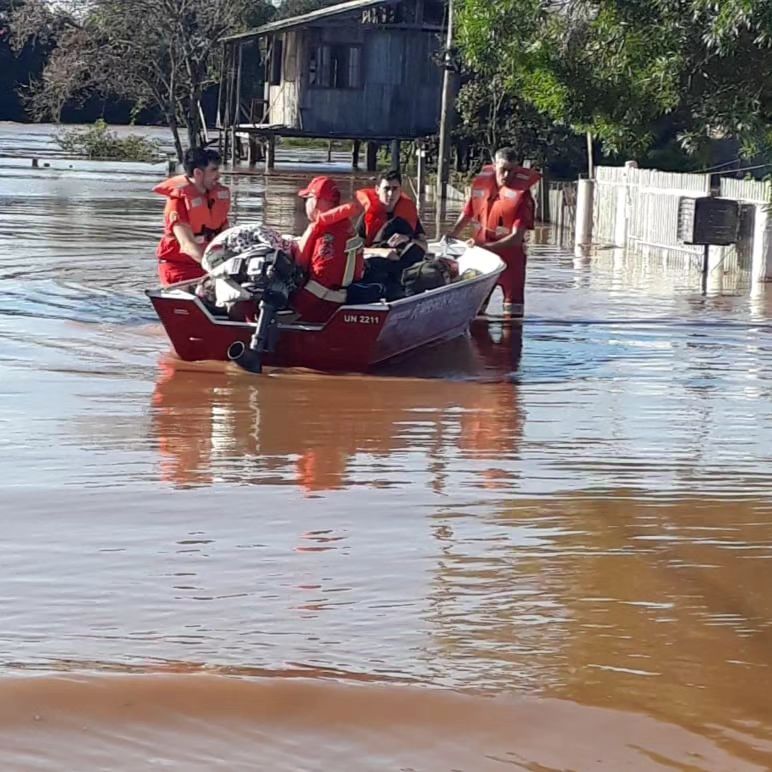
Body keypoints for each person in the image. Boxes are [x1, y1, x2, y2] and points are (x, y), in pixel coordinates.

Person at [448, 147, 540, 317]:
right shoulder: (482, 187)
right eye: (503, 170)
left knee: (513, 318)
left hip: (511, 263)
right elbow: (468, 213)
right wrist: (451, 237)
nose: (507, 176)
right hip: (483, 261)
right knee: (475, 315)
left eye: (512, 171)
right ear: (495, 165)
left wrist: (485, 246)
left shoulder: (523, 198)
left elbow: (516, 237)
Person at [291, 176, 364, 323]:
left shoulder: (328, 237)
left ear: (316, 200)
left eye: (307, 199)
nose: (305, 205)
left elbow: (320, 283)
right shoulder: (343, 226)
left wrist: (292, 308)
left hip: (324, 308)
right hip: (335, 299)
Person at [153, 147, 230, 286]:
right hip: (180, 269)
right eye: (214, 170)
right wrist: (216, 268)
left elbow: (227, 237)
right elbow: (187, 245)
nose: (219, 176)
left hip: (208, 268)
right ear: (198, 173)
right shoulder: (177, 203)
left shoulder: (216, 200)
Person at [355, 169, 428, 300]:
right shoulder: (366, 217)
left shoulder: (408, 215)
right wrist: (381, 252)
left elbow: (424, 246)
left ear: (400, 190)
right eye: (386, 189)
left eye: (395, 189)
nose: (391, 193)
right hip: (377, 265)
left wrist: (408, 238)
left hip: (402, 266)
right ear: (377, 189)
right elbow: (354, 250)